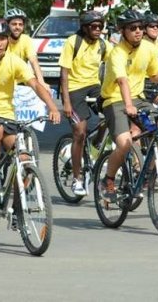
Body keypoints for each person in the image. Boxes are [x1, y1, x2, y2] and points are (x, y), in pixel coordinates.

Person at [0, 19, 60, 197]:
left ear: (8, 40)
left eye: (2, 38)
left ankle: (17, 210)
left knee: (23, 159)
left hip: (6, 114)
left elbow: (35, 85)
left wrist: (52, 107)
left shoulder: (14, 61)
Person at [98, 9, 158, 199]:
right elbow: (122, 81)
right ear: (122, 31)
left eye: (141, 27)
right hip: (114, 100)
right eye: (133, 28)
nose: (138, 31)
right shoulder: (117, 53)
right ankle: (108, 180)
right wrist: (129, 106)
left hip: (138, 99)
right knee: (124, 143)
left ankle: (145, 174)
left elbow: (155, 76)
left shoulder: (149, 48)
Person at [58, 10, 109, 196]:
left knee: (112, 113)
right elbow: (64, 73)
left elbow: (115, 60)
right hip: (74, 89)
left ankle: (96, 142)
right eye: (94, 27)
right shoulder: (73, 42)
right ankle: (77, 179)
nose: (98, 30)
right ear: (85, 27)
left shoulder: (103, 45)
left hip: (94, 86)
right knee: (79, 132)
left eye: (100, 27)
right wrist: (66, 102)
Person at [4, 7, 50, 90]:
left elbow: (34, 61)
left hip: (22, 82)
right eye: (14, 24)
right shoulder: (2, 40)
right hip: (4, 82)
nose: (17, 27)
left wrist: (41, 82)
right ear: (7, 25)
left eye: (20, 24)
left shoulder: (26, 39)